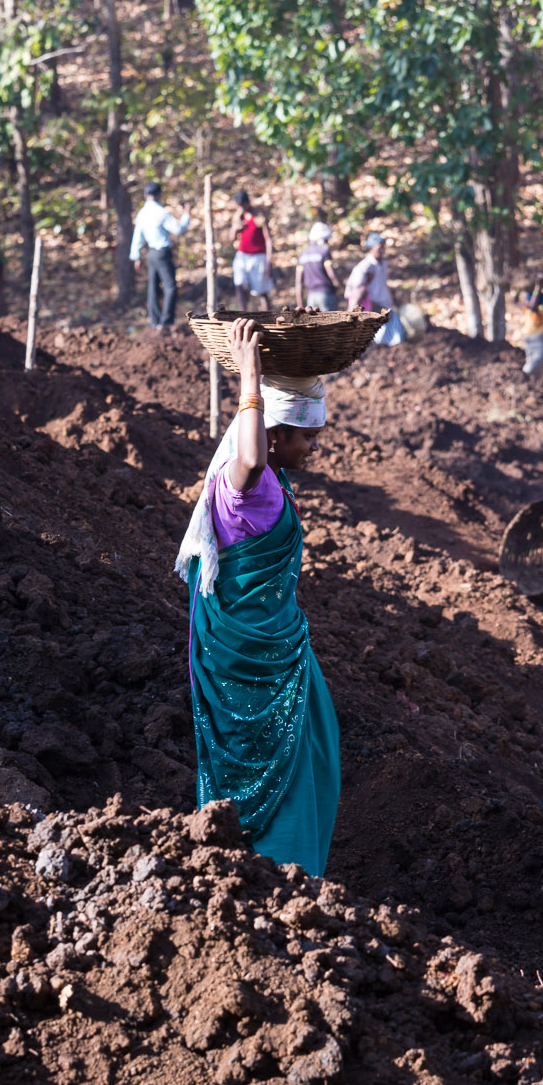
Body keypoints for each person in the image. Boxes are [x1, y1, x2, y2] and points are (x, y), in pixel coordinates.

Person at [176, 318, 340, 874]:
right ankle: (275, 868)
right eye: (307, 436)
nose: (314, 447)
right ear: (273, 436)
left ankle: (291, 865)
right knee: (272, 756)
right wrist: (250, 377)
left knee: (308, 752)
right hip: (251, 658)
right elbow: (248, 456)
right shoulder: (243, 483)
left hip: (278, 646)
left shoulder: (272, 483)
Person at [130, 181, 192, 330]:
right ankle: (166, 322)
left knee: (153, 288)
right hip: (162, 252)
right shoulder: (161, 213)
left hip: (151, 253)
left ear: (145, 195)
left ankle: (155, 320)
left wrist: (136, 256)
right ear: (158, 195)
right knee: (170, 287)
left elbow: (137, 237)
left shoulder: (142, 213)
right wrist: (186, 213)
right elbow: (178, 229)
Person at [345, 232, 404, 345]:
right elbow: (358, 289)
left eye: (383, 247)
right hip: (373, 305)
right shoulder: (366, 266)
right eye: (379, 247)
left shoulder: (383, 263)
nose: (382, 250)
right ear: (371, 248)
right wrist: (352, 311)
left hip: (384, 302)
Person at [228, 190, 274, 313]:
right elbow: (230, 239)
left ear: (247, 202)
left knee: (261, 290)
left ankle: (267, 315)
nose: (241, 208)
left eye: (243, 204)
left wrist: (269, 262)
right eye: (239, 205)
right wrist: (235, 229)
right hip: (242, 255)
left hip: (258, 257)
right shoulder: (238, 217)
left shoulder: (258, 216)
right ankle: (244, 312)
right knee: (239, 283)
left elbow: (268, 239)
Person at [296, 220, 341, 312]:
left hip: (311, 297)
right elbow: (331, 274)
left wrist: (300, 305)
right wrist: (341, 287)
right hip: (326, 294)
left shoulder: (302, 254)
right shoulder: (324, 251)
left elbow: (298, 282)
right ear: (323, 239)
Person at [521, 280, 543, 380]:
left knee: (535, 366)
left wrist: (537, 288)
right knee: (533, 365)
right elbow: (515, 301)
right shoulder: (530, 310)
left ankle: (532, 382)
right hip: (531, 342)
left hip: (539, 342)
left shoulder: (540, 310)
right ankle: (526, 380)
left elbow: (533, 304)